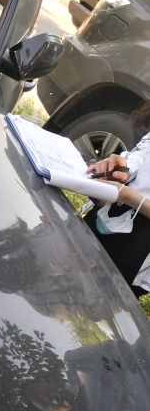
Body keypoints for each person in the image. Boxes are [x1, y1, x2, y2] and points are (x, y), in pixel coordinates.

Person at [84, 114, 150, 296]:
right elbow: (139, 158)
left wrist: (128, 196)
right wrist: (119, 169)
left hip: (139, 249)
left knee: (97, 297)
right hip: (109, 213)